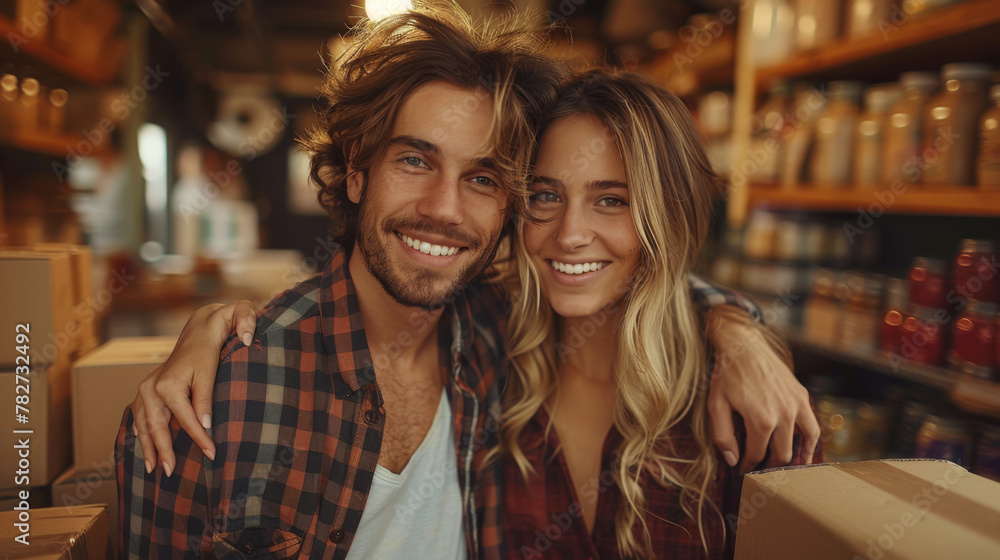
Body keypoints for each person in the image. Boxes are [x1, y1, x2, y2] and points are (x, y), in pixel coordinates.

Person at [116, 4, 819, 559]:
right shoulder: (221, 398)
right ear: (356, 170)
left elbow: (653, 286)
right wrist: (215, 325)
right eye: (415, 161)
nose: (444, 209)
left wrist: (741, 334)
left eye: (482, 177)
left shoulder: (491, 337)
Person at [495, 69, 821, 560]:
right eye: (546, 195)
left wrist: (735, 330)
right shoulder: (486, 355)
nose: (569, 234)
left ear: (671, 216)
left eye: (611, 200)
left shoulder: (751, 407)